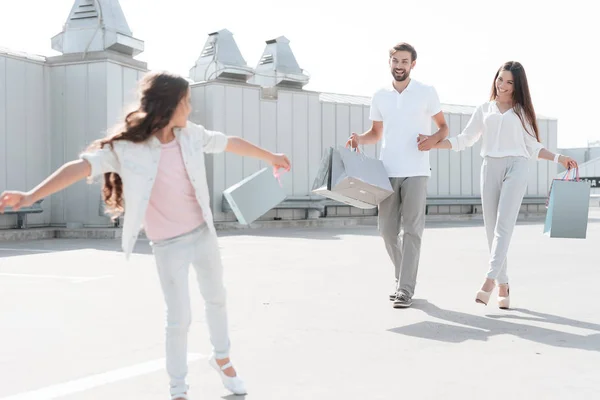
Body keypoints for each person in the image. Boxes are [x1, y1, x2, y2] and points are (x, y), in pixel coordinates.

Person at [0, 71, 291, 400]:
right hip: (168, 245)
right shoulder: (128, 148)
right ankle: (178, 389)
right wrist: (30, 195)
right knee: (179, 318)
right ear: (170, 105)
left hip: (202, 235)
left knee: (216, 299)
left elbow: (230, 142)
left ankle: (222, 359)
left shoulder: (191, 135)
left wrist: (271, 157)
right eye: (187, 103)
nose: (191, 110)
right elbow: (78, 167)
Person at [420, 61, 577, 309]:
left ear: (518, 86)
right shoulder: (485, 109)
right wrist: (434, 144)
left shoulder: (522, 112)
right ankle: (504, 284)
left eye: (509, 82)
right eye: (500, 79)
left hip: (517, 166)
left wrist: (559, 158)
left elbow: (534, 148)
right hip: (489, 166)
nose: (502, 85)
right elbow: (464, 139)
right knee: (491, 230)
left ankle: (489, 280)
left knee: (503, 227)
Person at [346, 42, 449, 309]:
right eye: (395, 61)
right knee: (387, 231)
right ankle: (403, 277)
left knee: (412, 230)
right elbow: (376, 133)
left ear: (413, 64)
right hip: (387, 171)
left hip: (416, 171)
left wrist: (432, 140)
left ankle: (404, 288)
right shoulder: (380, 95)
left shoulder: (426, 92)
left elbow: (443, 128)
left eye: (404, 61)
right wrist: (359, 138)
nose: (399, 66)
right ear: (389, 62)